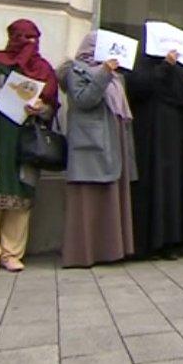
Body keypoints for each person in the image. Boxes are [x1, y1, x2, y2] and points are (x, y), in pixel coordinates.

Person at [0, 19, 58, 273]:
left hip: (24, 138)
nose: (30, 44)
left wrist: (40, 107)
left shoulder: (43, 69)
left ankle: (12, 253)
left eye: (34, 38)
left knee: (20, 193)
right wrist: (15, 95)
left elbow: (50, 106)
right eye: (24, 38)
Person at [57, 31, 136, 267]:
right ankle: (83, 253)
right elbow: (83, 100)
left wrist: (107, 74)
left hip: (111, 141)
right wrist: (103, 73)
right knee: (88, 197)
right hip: (91, 142)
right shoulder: (77, 70)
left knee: (110, 194)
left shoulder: (114, 77)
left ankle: (109, 250)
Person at [127, 49, 183, 260]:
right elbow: (139, 88)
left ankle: (170, 242)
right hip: (149, 139)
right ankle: (147, 244)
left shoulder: (177, 71)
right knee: (151, 187)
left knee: (171, 189)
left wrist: (171, 69)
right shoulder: (144, 68)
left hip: (173, 141)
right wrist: (163, 67)